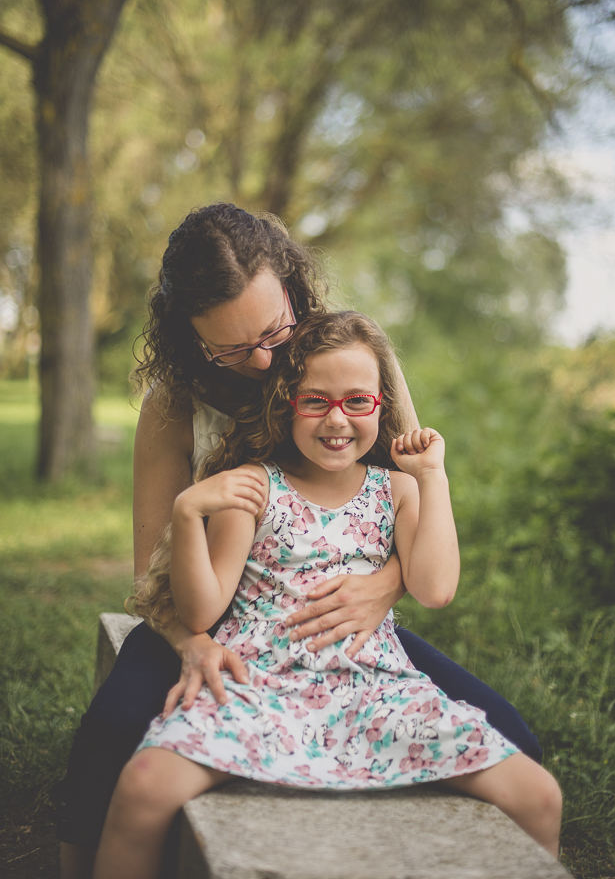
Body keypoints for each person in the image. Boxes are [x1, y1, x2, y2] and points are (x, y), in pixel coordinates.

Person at [58, 203, 543, 878]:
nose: (261, 361)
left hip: (338, 614)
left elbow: (413, 506)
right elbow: (153, 570)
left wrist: (384, 585)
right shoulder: (172, 404)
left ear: (291, 285)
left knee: (514, 735)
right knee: (114, 730)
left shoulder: (344, 361)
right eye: (230, 347)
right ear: (189, 334)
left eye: (271, 333)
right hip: (211, 608)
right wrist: (195, 645)